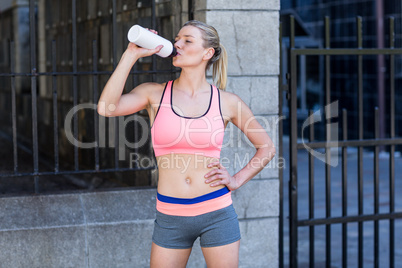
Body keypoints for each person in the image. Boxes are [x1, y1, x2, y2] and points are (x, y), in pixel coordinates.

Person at [97, 20, 275, 268]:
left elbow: (267, 147)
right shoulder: (154, 93)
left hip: (217, 213)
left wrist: (236, 180)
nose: (177, 44)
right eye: (177, 38)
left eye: (187, 40)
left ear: (207, 53)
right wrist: (131, 54)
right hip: (170, 216)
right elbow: (107, 108)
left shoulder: (228, 101)